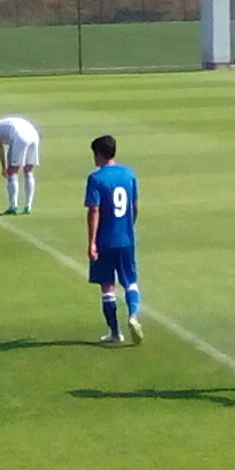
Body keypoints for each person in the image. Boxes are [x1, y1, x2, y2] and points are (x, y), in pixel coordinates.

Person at [85, 135, 142, 344]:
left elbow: (94, 210)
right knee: (130, 282)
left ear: (99, 154)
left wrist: (92, 242)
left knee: (107, 287)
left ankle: (115, 332)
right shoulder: (129, 174)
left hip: (104, 241)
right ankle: (133, 315)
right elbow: (135, 206)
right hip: (126, 239)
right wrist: (128, 226)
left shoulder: (96, 179)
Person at [0, 116, 41, 215]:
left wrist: (4, 167)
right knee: (28, 170)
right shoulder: (2, 125)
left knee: (12, 172)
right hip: (34, 136)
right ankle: (28, 205)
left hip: (20, 137)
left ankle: (13, 206)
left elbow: (0, 148)